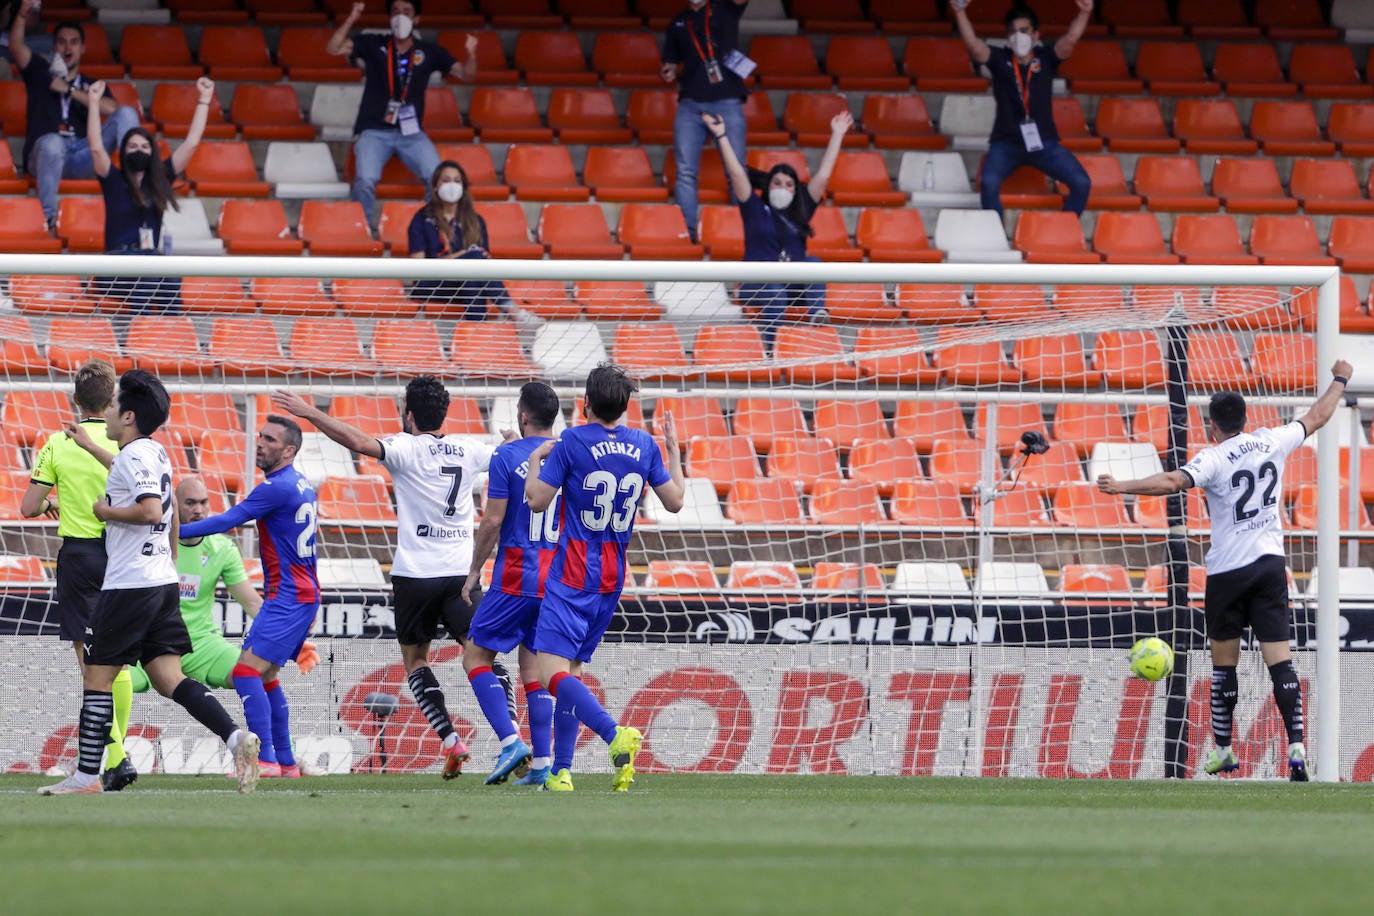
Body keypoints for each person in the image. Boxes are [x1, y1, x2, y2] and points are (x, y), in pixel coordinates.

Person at [1097, 359, 1355, 782]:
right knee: (1280, 662)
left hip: (1229, 572)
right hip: (1271, 566)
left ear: (1209, 425)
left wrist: (1120, 487)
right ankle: (1296, 746)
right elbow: (1319, 416)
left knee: (1224, 667)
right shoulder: (1272, 440)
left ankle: (1223, 751)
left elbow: (1171, 482)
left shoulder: (1212, 458)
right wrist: (1340, 378)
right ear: (1245, 419)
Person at [273, 377, 517, 780]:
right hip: (462, 576)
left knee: (416, 661)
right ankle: (509, 738)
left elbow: (358, 442)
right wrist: (511, 438)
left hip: (414, 577)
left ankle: (452, 741)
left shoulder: (404, 447)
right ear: (445, 414)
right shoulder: (470, 449)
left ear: (409, 415)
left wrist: (311, 412)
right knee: (484, 656)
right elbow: (509, 455)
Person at [40, 369, 259, 795]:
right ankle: (236, 738)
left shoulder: (137, 457)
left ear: (128, 416)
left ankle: (86, 775)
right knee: (168, 679)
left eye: (115, 402)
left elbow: (152, 510)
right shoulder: (153, 453)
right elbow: (151, 492)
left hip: (129, 586)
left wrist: (105, 514)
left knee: (97, 677)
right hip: (160, 583)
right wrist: (89, 446)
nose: (109, 407)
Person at [525, 363, 685, 791]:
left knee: (548, 675)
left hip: (573, 573)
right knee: (571, 673)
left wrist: (537, 458)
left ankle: (614, 734)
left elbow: (537, 501)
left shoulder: (572, 441)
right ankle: (561, 772)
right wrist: (673, 451)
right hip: (612, 578)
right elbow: (675, 502)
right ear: (626, 405)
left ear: (585, 404)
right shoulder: (646, 445)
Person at [129, 477, 322, 778]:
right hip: (147, 643)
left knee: (258, 672)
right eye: (190, 503)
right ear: (174, 505)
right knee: (107, 682)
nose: (198, 509)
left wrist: (288, 637)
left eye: (204, 502)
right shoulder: (153, 542)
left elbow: (253, 603)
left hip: (202, 645)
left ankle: (284, 757)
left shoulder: (221, 547)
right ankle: (90, 758)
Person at [176, 415, 319, 781]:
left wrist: (172, 529)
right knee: (267, 675)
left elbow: (228, 520)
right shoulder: (301, 484)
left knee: (244, 671)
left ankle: (266, 759)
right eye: (260, 436)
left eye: (270, 439)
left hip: (288, 596)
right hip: (296, 595)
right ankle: (285, 763)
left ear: (289, 450)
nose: (260, 442)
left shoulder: (276, 487)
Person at [20, 359, 137, 792]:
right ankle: (115, 757)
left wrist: (56, 503)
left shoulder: (56, 443)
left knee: (91, 664)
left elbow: (28, 508)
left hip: (82, 559)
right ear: (113, 401)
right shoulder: (126, 442)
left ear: (74, 400)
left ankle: (118, 756)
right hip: (124, 556)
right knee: (117, 661)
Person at [462, 381, 563, 787]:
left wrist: (473, 572)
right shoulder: (567, 453)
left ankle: (509, 741)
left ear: (523, 416)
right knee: (532, 670)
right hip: (556, 578)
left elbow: (492, 521)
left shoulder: (505, 456)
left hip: (516, 575)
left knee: (475, 658)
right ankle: (540, 766)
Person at [705, 108, 851, 351]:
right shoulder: (754, 207)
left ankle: (818, 315)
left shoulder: (800, 211)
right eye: (777, 183)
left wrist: (837, 134)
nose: (782, 187)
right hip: (756, 285)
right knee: (774, 291)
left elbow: (823, 177)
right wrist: (721, 136)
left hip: (791, 285)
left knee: (813, 261)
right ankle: (773, 351)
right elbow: (737, 173)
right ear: (768, 185)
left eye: (789, 184)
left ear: (796, 190)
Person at [326, 0, 478, 225]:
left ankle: (433, 230)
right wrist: (351, 19)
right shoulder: (373, 44)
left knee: (438, 179)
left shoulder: (429, 51)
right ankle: (362, 230)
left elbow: (467, 75)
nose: (401, 17)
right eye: (396, 12)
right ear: (389, 18)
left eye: (407, 12)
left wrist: (471, 53)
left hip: (412, 133)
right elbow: (333, 48)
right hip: (373, 130)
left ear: (416, 19)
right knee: (365, 179)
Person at [952, 0, 1093, 217]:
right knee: (988, 185)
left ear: (1036, 35)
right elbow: (973, 45)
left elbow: (1070, 39)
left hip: (1044, 144)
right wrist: (959, 11)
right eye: (1013, 32)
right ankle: (996, 234)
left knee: (1081, 183)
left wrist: (1085, 12)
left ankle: (1064, 229)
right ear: (1008, 37)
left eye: (1024, 31)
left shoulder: (1046, 58)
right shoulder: (1000, 59)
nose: (1019, 36)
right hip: (1006, 144)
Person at [86, 77, 214, 311]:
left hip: (149, 264)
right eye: (132, 147)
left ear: (152, 152)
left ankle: (170, 336)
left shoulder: (160, 178)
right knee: (152, 269)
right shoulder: (113, 179)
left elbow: (191, 144)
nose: (139, 151)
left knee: (169, 274)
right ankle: (139, 335)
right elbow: (96, 146)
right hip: (114, 268)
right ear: (123, 152)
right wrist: (94, 102)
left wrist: (204, 100)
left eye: (144, 147)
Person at [8, 1, 139, 229]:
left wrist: (69, 89)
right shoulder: (39, 71)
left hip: (83, 155)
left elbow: (113, 110)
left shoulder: (91, 84)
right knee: (52, 142)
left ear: (83, 48)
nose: (68, 48)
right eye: (62, 42)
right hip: (45, 156)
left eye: (74, 42)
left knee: (127, 113)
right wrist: (21, 14)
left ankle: (140, 192)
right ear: (54, 47)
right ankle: (46, 219)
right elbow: (16, 46)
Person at [407, 159, 537, 329]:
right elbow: (418, 270)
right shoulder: (421, 219)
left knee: (472, 277)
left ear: (464, 187)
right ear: (436, 186)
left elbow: (485, 260)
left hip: (464, 284)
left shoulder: (475, 221)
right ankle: (510, 311)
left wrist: (469, 261)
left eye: (457, 181)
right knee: (473, 262)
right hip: (432, 285)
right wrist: (462, 257)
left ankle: (475, 336)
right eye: (446, 181)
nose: (451, 185)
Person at [661, 0, 751, 236]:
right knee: (685, 172)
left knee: (736, 170)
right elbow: (670, 61)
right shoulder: (678, 22)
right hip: (691, 103)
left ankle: (745, 230)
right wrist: (668, 70)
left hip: (728, 100)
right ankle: (687, 232)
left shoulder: (726, 8)